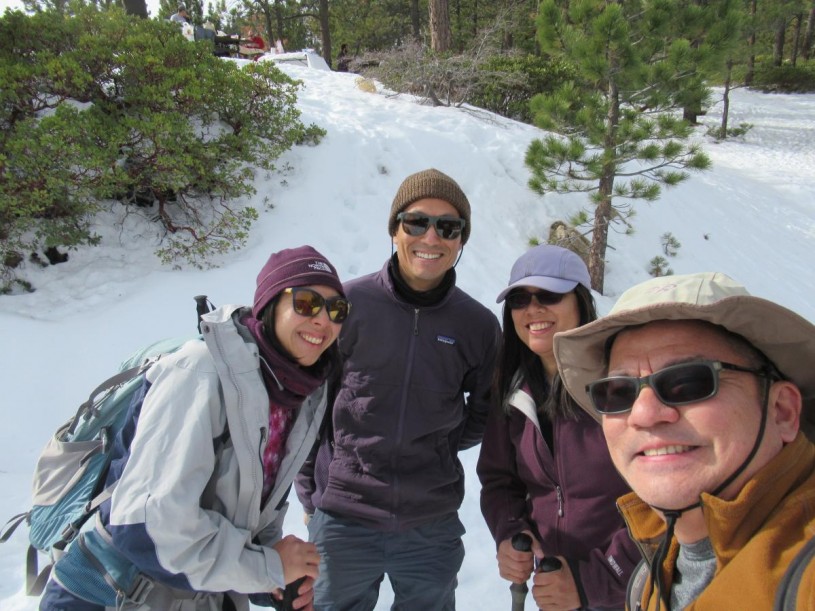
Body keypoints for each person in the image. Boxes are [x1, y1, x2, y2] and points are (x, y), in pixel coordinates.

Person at [40, 246, 351, 611]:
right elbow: (149, 528)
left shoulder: (300, 394)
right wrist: (267, 567)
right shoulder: (200, 371)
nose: (323, 320)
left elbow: (247, 512)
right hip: (109, 596)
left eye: (337, 310)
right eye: (307, 302)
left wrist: (272, 583)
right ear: (269, 304)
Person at [295, 168, 501, 610]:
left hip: (430, 525)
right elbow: (310, 406)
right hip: (343, 517)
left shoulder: (478, 326)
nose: (431, 237)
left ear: (461, 240)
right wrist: (311, 494)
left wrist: (441, 445)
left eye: (449, 227)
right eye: (416, 221)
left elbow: (486, 410)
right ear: (394, 230)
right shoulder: (348, 306)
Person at [553, 272, 815, 610]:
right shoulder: (654, 571)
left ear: (781, 411)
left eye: (688, 382)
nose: (644, 414)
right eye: (617, 392)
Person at [477, 245, 640, 611]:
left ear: (581, 301)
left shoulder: (619, 385)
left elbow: (663, 501)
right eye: (520, 299)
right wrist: (509, 531)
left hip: (634, 592)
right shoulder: (515, 391)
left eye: (549, 295)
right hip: (556, 589)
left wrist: (593, 582)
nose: (533, 309)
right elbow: (500, 480)